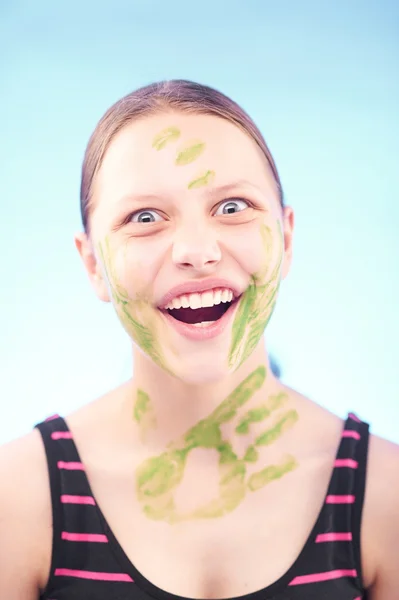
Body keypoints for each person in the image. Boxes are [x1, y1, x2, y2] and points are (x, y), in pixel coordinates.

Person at [0, 80, 398, 600]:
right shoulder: (17, 497)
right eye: (144, 218)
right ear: (92, 263)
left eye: (233, 207)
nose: (196, 251)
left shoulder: (385, 495)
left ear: (288, 237)